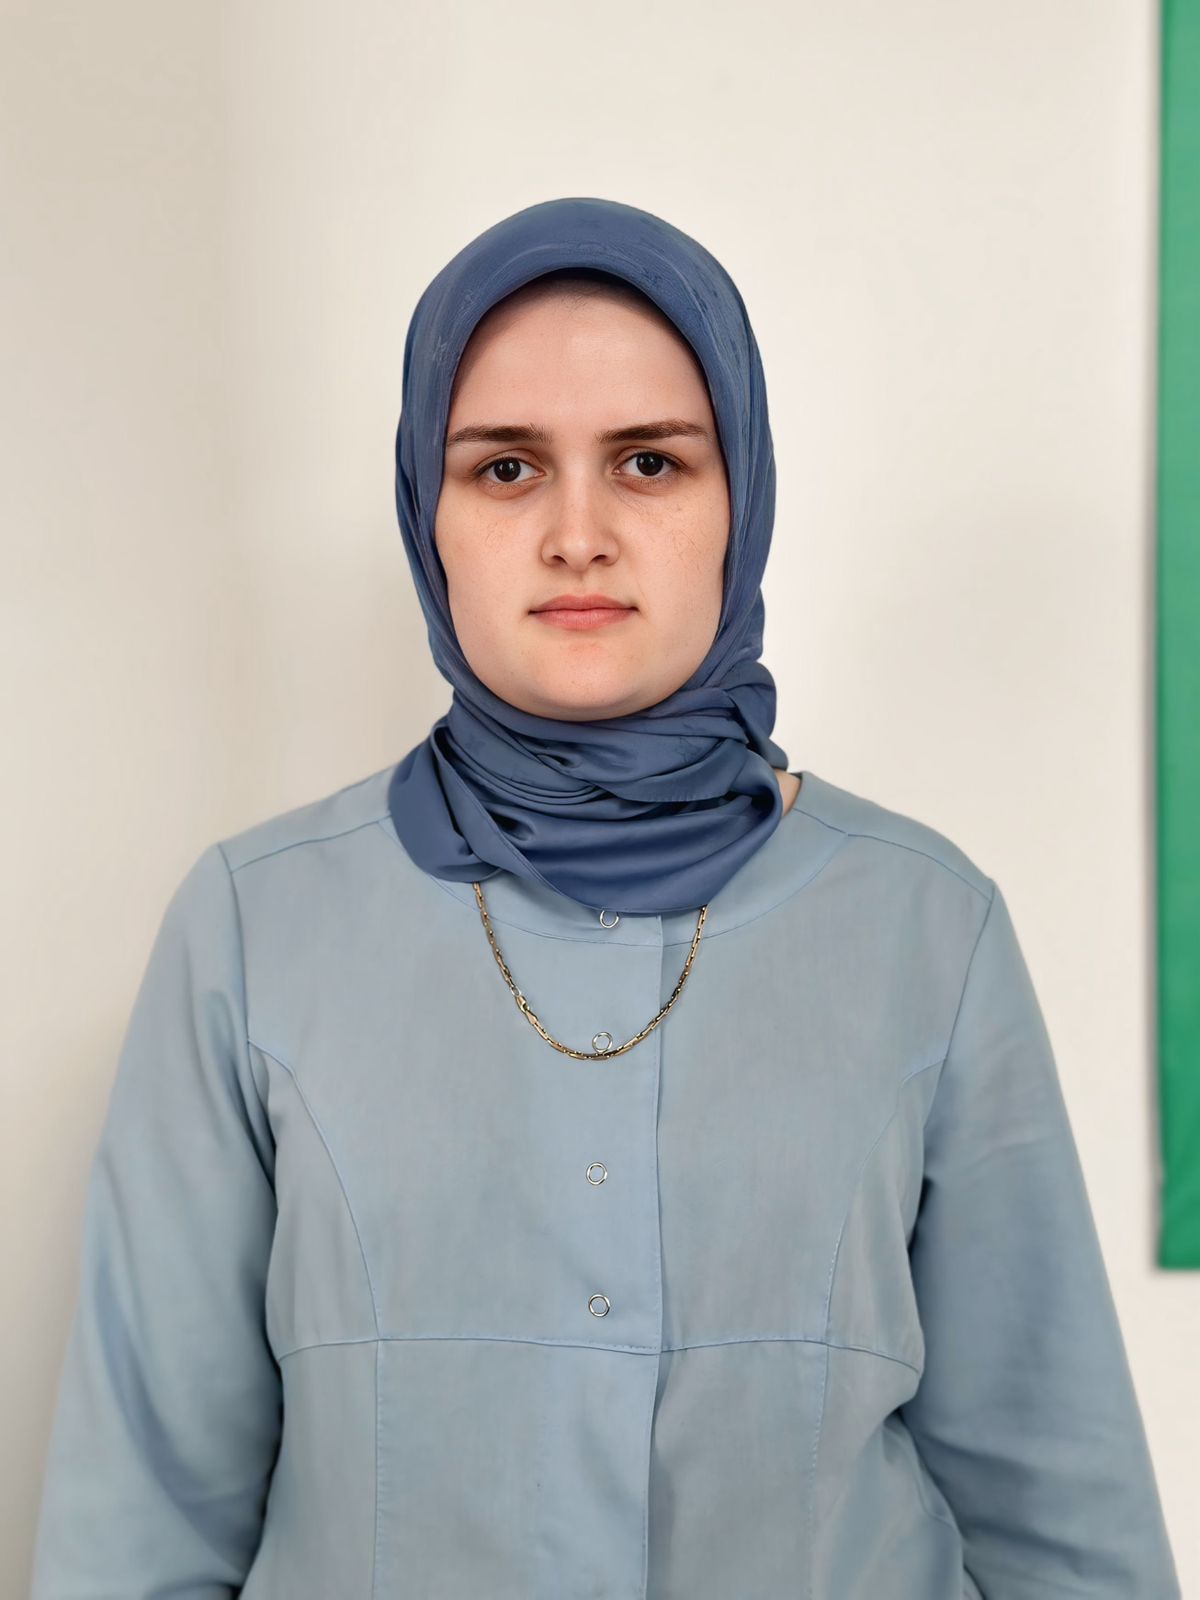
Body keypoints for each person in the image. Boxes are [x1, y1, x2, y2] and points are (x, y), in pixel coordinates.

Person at [29, 197, 1180, 1599]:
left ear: (741, 499)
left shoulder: (926, 928)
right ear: (428, 512)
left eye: (649, 462)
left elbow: (1066, 1529)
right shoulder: (253, 930)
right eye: (507, 468)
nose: (578, 535)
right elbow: (138, 1532)